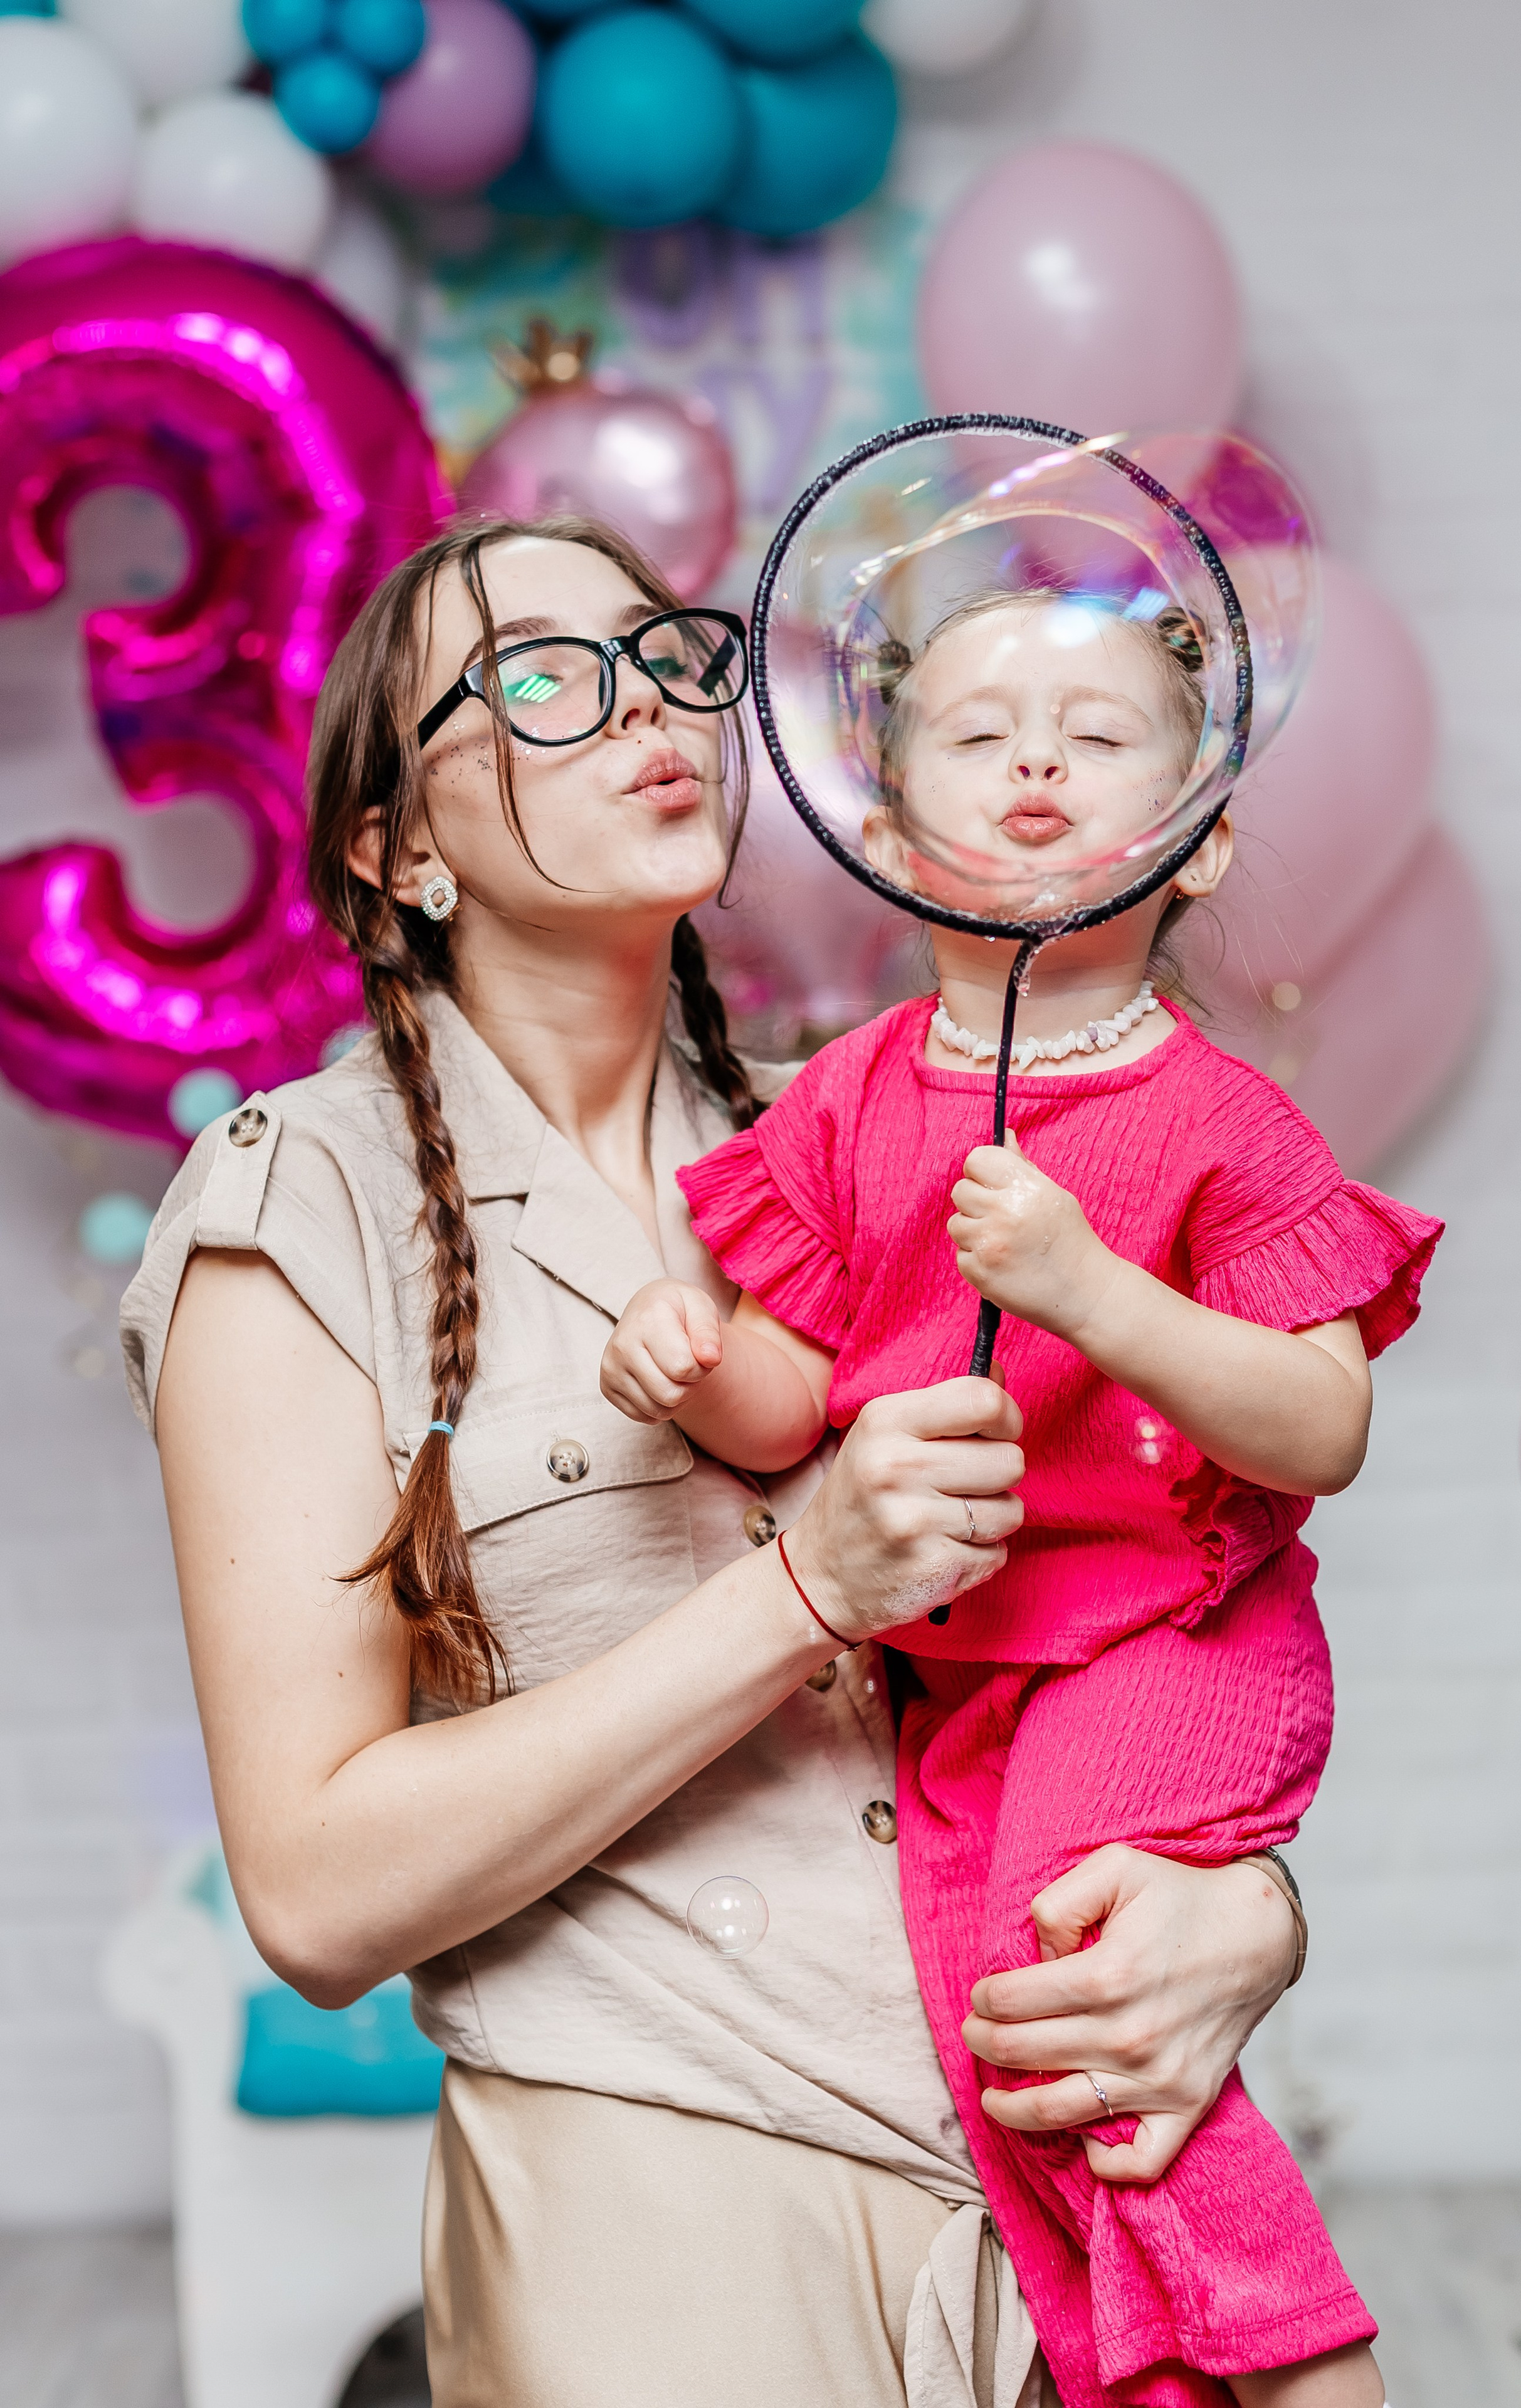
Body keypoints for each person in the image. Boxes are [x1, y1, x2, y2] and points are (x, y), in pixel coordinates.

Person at [122, 526, 1315, 2408]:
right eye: (539, 678)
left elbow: (1145, 1599)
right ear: (397, 849)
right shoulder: (298, 1207)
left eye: (664, 654)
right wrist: (804, 1584)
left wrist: (1248, 1909)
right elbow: (318, 1891)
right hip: (660, 2187)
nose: (650, 708)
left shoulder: (863, 1132)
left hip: (1040, 2164)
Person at [603, 587, 1442, 2405]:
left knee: (1067, 2000)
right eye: (981, 735)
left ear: (1201, 838)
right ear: (899, 838)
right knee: (1012, 2046)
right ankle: (1140, 2378)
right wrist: (690, 1350)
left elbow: (1319, 1422)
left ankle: (1305, 2368)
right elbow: (788, 1403)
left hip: (1170, 1639)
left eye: (1099, 731)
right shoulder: (845, 1100)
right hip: (964, 1676)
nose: (1040, 758)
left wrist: (1089, 1288)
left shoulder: (1226, 1120)